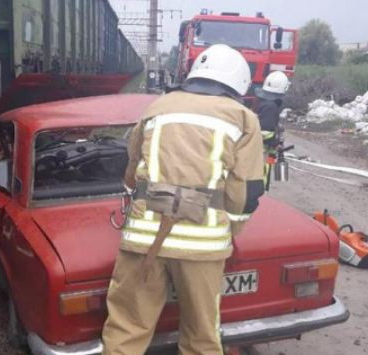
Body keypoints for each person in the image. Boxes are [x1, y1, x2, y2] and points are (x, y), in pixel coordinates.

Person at [101, 44, 265, 355]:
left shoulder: (157, 107)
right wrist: (231, 229)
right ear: (238, 83)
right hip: (203, 247)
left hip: (144, 237)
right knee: (201, 337)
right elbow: (244, 191)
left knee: (126, 329)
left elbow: (132, 167)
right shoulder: (244, 119)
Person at [254, 71, 290, 190]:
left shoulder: (264, 102)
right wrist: (275, 142)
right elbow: (265, 132)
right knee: (260, 179)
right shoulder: (270, 107)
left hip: (262, 151)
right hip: (262, 152)